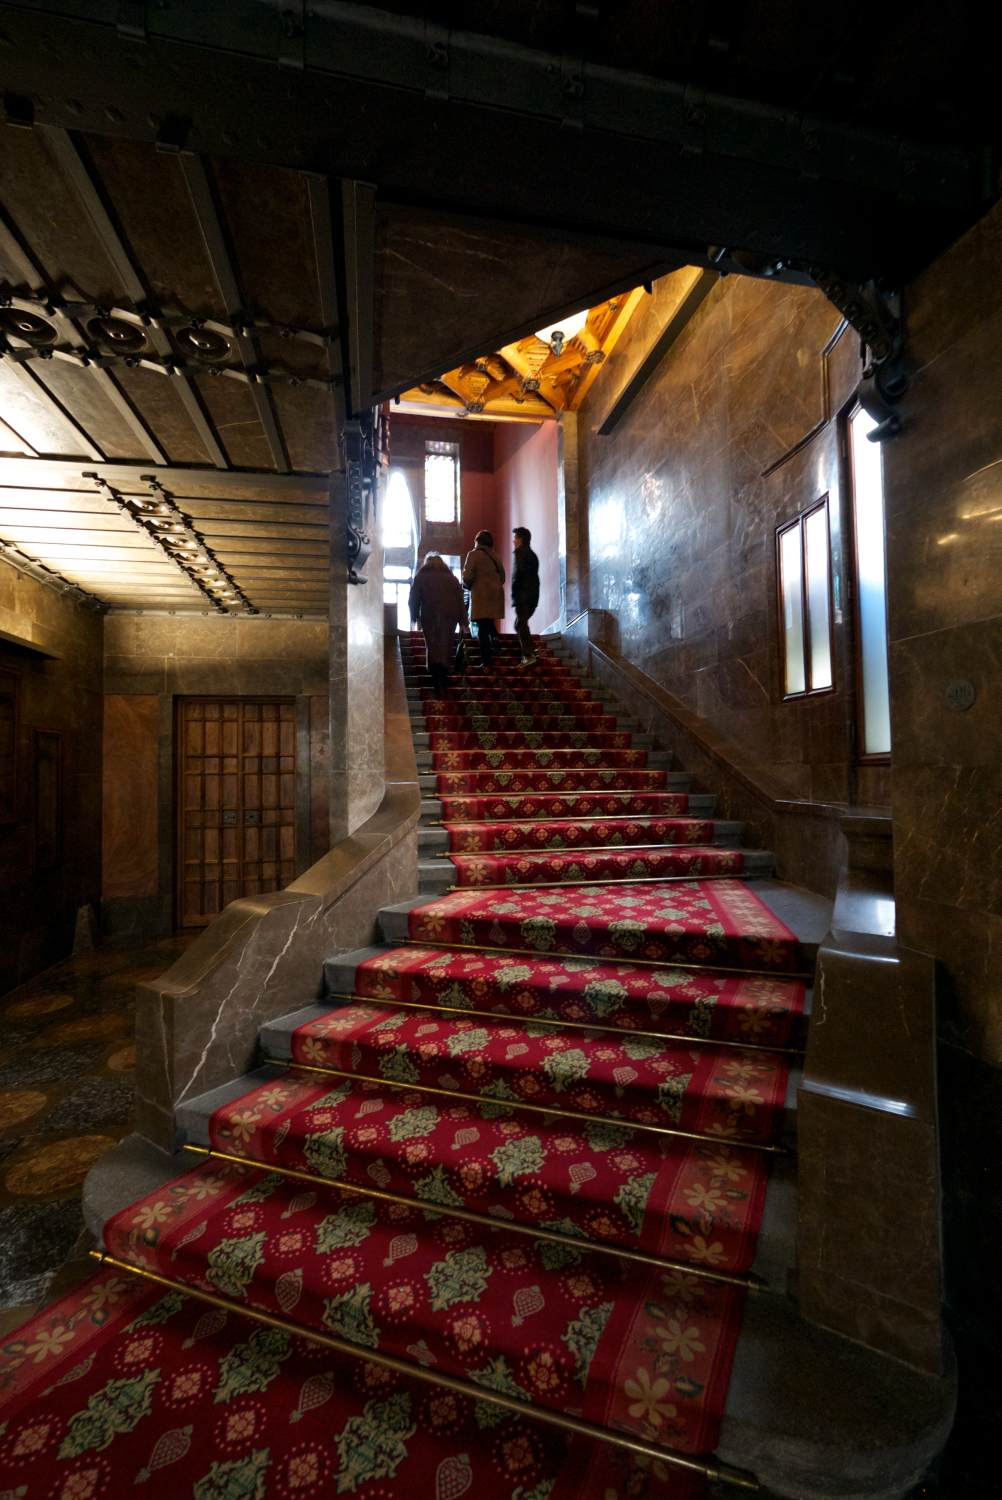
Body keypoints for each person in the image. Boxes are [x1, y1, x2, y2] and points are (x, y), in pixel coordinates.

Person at [408, 554, 468, 693]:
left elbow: (413, 598)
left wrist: (414, 615)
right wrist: (464, 622)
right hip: (450, 615)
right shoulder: (452, 579)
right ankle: (444, 675)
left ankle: (436, 680)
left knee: (433, 645)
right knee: (446, 645)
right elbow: (460, 601)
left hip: (430, 615)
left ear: (427, 563)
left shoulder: (421, 577)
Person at [461, 529, 505, 668]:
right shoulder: (495, 556)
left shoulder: (473, 555)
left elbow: (467, 577)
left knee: (482, 628)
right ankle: (496, 640)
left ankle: (487, 660)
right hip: (495, 595)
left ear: (477, 541)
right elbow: (503, 577)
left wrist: (467, 586)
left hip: (480, 596)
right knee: (488, 621)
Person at [511, 525, 540, 665]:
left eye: (515, 537)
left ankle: (528, 655)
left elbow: (518, 574)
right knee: (519, 624)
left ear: (521, 539)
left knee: (520, 624)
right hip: (533, 595)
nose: (513, 541)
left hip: (523, 595)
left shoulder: (520, 553)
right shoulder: (532, 555)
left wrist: (515, 594)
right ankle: (531, 651)